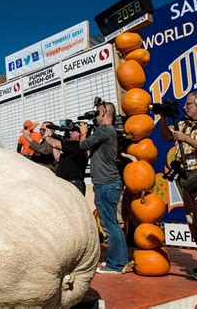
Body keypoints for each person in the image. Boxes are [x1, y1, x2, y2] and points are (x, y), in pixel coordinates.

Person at [161, 91, 197, 280]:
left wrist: (186, 139)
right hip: (186, 178)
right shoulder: (183, 125)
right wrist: (163, 117)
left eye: (189, 104)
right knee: (192, 221)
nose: (185, 107)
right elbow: (166, 136)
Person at [79, 101, 128, 274]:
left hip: (107, 184)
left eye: (98, 112)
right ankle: (117, 261)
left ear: (105, 112)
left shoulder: (104, 130)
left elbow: (83, 145)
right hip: (107, 183)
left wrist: (83, 134)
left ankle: (117, 264)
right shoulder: (107, 132)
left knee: (110, 226)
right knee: (111, 224)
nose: (95, 116)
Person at [45, 123, 88, 195]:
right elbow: (57, 158)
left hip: (73, 184)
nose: (70, 132)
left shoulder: (77, 145)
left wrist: (47, 136)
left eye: (73, 130)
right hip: (66, 183)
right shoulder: (71, 147)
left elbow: (54, 144)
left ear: (80, 133)